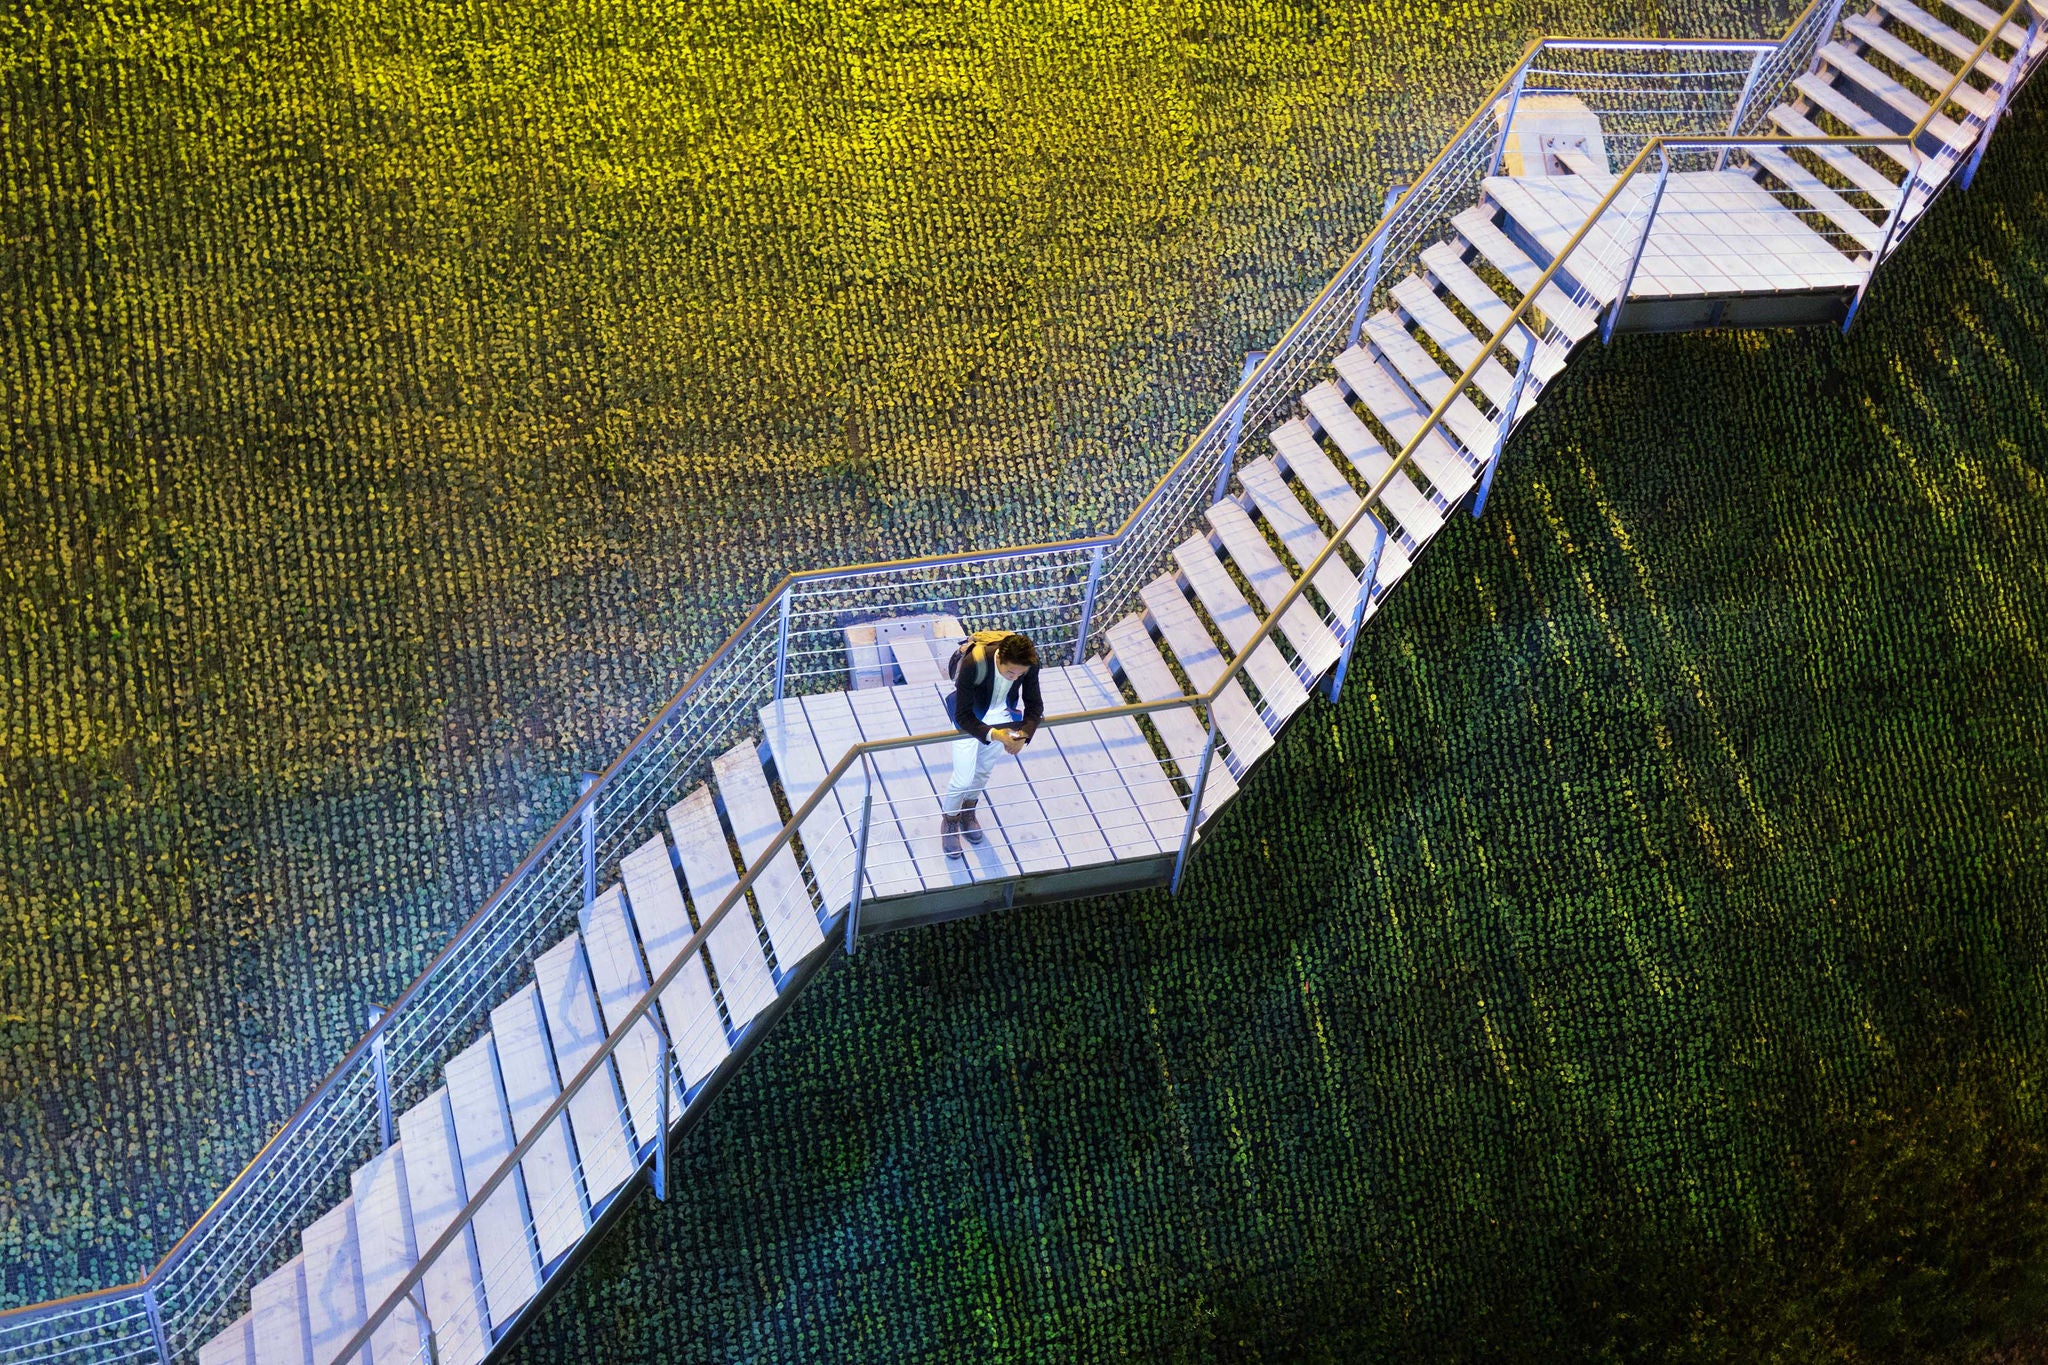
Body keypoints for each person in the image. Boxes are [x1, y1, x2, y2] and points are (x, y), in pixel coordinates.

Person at [940, 630, 1042, 859]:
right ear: (999, 659)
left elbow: (1035, 705)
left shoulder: (1029, 664)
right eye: (1010, 672)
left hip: (1002, 719)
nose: (1015, 677)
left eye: (1020, 674)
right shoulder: (974, 663)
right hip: (969, 721)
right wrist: (995, 735)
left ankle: (968, 812)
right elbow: (963, 715)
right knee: (963, 777)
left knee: (983, 771)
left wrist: (1024, 734)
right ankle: (950, 820)